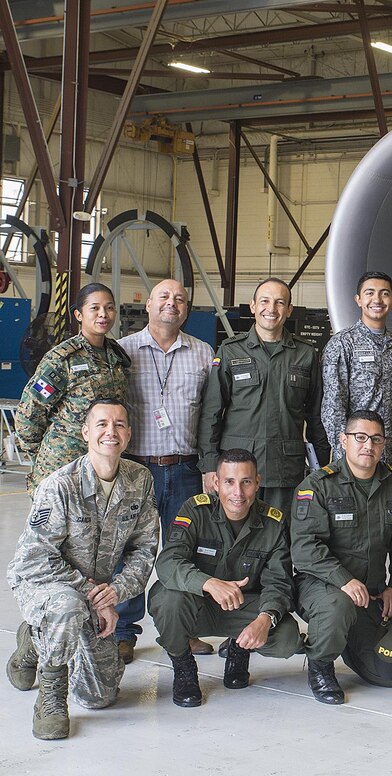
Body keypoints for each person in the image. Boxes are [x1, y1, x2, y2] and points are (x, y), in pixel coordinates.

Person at [5, 399, 158, 740]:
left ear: (129, 434)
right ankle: (51, 694)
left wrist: (116, 590)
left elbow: (144, 548)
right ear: (85, 432)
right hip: (44, 582)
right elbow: (35, 556)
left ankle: (34, 639)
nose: (111, 431)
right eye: (102, 424)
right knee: (67, 606)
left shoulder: (140, 480)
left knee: (99, 696)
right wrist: (93, 593)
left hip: (96, 591)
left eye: (119, 424)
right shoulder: (60, 484)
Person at [147, 448, 303, 707]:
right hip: (198, 605)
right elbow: (168, 562)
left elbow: (279, 581)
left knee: (286, 636)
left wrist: (266, 618)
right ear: (215, 483)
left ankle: (239, 649)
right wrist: (208, 583)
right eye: (229, 482)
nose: (238, 493)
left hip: (242, 608)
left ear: (257, 482)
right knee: (167, 600)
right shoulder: (196, 511)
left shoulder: (273, 523)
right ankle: (183, 665)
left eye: (246, 482)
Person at [115, 278, 215, 662]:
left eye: (179, 299)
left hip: (187, 469)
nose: (171, 303)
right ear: (149, 305)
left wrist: (209, 467)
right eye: (163, 297)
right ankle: (124, 631)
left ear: (186, 308)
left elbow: (212, 415)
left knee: (185, 551)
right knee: (131, 549)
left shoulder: (203, 353)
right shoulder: (124, 351)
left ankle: (182, 628)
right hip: (136, 469)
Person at [291, 410, 392, 704]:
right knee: (338, 607)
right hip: (322, 587)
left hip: (370, 592)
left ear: (384, 445)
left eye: (375, 439)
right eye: (359, 437)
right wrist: (344, 581)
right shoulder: (318, 486)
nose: (367, 446)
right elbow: (305, 548)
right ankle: (320, 665)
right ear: (343, 441)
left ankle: (347, 637)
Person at [197, 277, 328, 514]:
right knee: (234, 538)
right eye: (265, 301)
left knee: (281, 537)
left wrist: (323, 466)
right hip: (237, 470)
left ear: (288, 309)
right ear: (253, 306)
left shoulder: (305, 354)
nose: (272, 308)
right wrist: (209, 466)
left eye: (280, 303)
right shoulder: (230, 351)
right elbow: (211, 412)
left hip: (285, 469)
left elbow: (317, 415)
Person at [15, 282, 130, 493]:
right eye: (94, 308)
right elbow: (29, 414)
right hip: (62, 468)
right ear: (79, 314)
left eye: (109, 307)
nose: (103, 314)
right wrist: (42, 455)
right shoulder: (62, 359)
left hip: (101, 467)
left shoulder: (117, 357)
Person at [321, 271, 392, 485]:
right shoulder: (342, 344)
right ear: (358, 300)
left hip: (389, 456)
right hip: (354, 457)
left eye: (384, 294)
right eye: (370, 293)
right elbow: (332, 406)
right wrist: (343, 454)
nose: (377, 300)